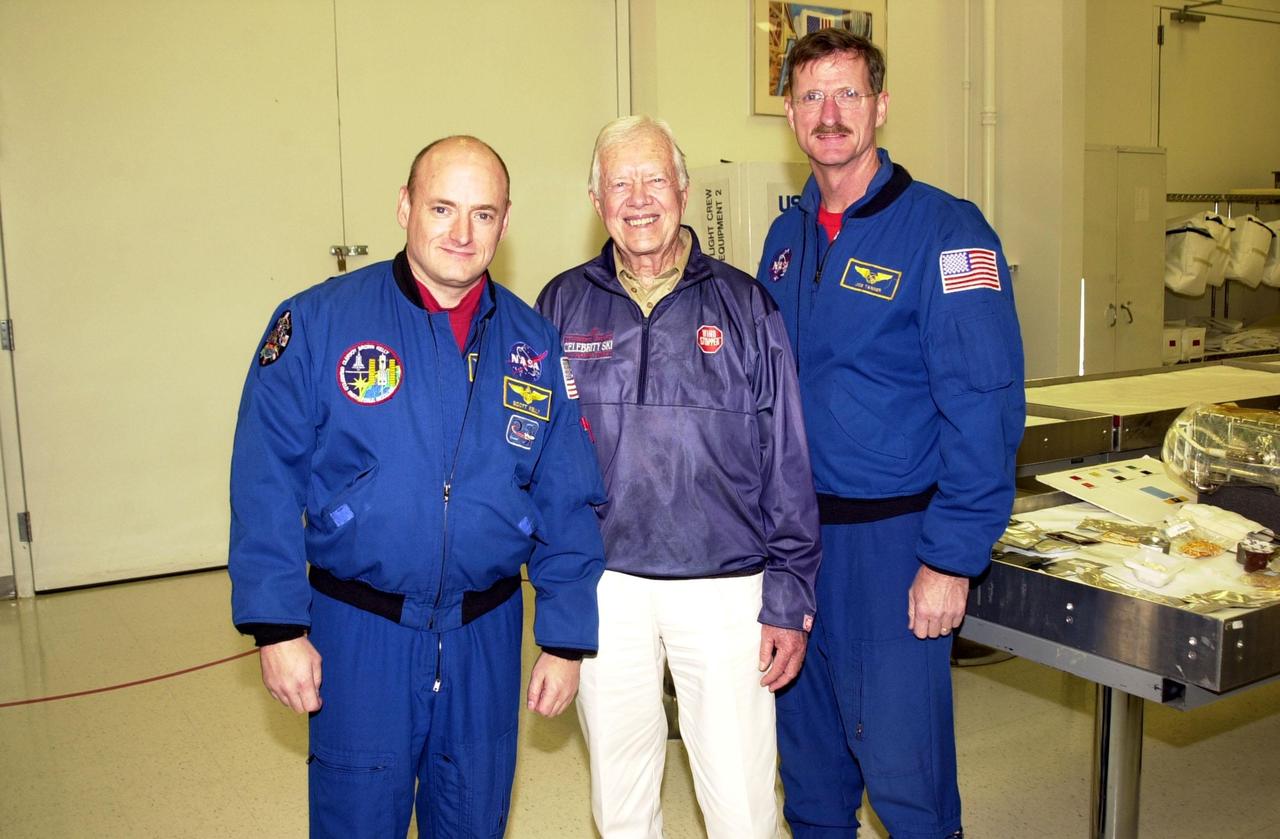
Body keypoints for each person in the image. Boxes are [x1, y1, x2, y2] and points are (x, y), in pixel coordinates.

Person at [228, 135, 606, 839]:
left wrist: (564, 636)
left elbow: (566, 495)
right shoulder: (315, 324)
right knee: (357, 821)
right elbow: (265, 479)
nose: (462, 233)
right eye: (442, 207)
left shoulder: (533, 344)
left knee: (474, 818)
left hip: (485, 633)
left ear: (505, 221)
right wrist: (277, 625)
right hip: (360, 631)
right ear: (404, 206)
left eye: (484, 214)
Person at [757, 29, 1025, 839]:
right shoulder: (783, 239)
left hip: (894, 544)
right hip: (796, 549)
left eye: (846, 93)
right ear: (790, 115)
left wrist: (950, 557)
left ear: (880, 104)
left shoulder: (948, 232)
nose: (828, 113)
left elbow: (986, 405)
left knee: (905, 777)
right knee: (809, 773)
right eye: (810, 96)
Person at [538, 115, 822, 839]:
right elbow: (533, 460)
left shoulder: (747, 305)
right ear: (596, 198)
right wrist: (555, 592)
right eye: (619, 183)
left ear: (685, 191)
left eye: (654, 178)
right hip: (607, 587)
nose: (638, 198)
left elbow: (787, 457)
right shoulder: (557, 307)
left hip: (726, 587)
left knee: (742, 803)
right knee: (621, 797)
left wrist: (788, 594)